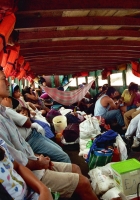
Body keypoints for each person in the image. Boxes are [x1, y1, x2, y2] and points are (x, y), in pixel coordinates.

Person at [0, 68, 98, 199]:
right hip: (30, 174)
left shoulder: (4, 112)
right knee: (83, 182)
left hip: (33, 160)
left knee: (75, 168)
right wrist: (39, 164)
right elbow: (16, 162)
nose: (8, 83)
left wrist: (39, 157)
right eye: (3, 79)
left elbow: (20, 149)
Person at [1, 97, 71, 163]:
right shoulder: (6, 110)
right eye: (8, 99)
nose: (10, 103)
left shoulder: (7, 112)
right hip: (31, 139)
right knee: (63, 157)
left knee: (59, 150)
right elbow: (27, 122)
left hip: (33, 135)